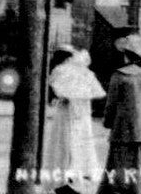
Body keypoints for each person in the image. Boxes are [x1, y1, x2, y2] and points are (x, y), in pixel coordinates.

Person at [97, 34, 141, 194]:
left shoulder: (118, 76)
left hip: (122, 128)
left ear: (126, 56)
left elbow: (111, 104)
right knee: (140, 162)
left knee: (118, 162)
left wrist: (108, 122)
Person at [44, 46, 106, 194]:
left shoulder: (64, 71)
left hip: (71, 112)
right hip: (77, 113)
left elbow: (58, 91)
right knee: (74, 142)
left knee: (67, 142)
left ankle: (66, 174)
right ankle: (69, 175)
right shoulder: (74, 71)